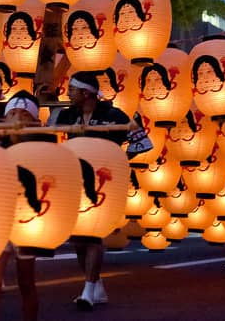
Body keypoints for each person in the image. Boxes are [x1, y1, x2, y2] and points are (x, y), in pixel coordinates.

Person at [48, 71, 149, 310]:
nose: (68, 93)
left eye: (72, 90)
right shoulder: (67, 114)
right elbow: (46, 134)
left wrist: (119, 160)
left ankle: (88, 290)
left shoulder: (113, 115)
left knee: (93, 235)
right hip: (75, 179)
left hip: (104, 183)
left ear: (86, 93)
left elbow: (142, 142)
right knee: (78, 238)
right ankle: (96, 286)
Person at [0, 91, 42, 321]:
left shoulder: (42, 150)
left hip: (26, 222)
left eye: (23, 114)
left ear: (35, 121)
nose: (16, 117)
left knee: (26, 283)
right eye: (12, 113)